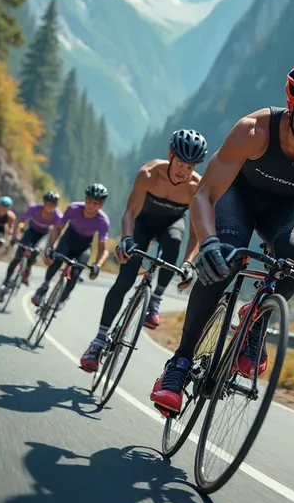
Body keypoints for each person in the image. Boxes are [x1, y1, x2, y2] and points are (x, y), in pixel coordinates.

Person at [150, 59, 294, 414]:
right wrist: (208, 242)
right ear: (291, 107)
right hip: (238, 195)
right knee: (225, 258)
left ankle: (255, 319)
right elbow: (204, 195)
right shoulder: (254, 131)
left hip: (289, 205)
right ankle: (180, 365)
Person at [79, 128, 208, 373]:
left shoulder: (195, 187)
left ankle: (156, 298)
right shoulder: (148, 174)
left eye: (190, 167)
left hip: (172, 223)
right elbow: (130, 213)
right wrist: (127, 239)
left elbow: (196, 234)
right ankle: (98, 341)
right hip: (144, 223)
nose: (183, 172)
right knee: (124, 280)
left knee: (173, 241)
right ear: (171, 156)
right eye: (180, 163)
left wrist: (189, 264)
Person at [31, 184, 110, 308]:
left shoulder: (103, 221)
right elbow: (58, 228)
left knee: (75, 273)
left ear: (101, 205)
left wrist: (98, 265)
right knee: (57, 260)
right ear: (85, 199)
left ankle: (62, 299)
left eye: (95, 203)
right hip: (68, 239)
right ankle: (44, 286)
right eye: (88, 201)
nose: (90, 205)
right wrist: (50, 246)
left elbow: (103, 249)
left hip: (84, 246)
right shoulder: (73, 208)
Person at [0, 191, 62, 300]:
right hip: (31, 231)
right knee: (18, 256)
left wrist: (52, 247)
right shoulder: (35, 208)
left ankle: (27, 269)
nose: (50, 207)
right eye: (48, 203)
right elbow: (23, 221)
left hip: (43, 235)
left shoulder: (58, 216)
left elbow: (57, 232)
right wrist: (18, 232)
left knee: (36, 251)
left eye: (53, 205)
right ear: (44, 202)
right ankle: (5, 282)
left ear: (56, 205)